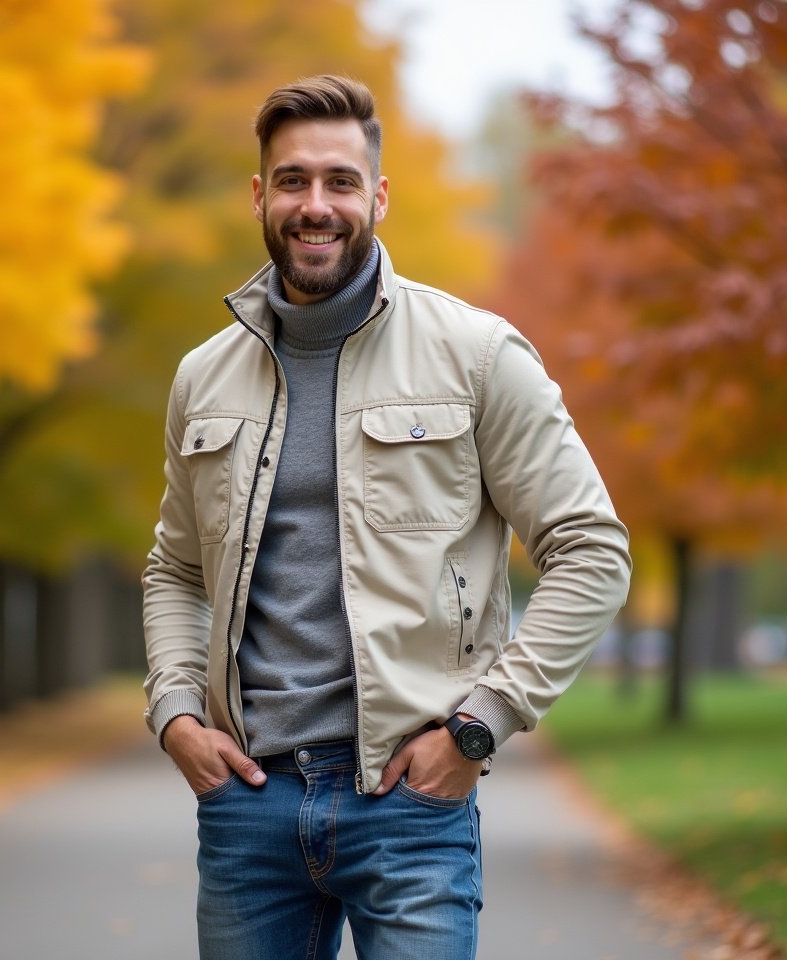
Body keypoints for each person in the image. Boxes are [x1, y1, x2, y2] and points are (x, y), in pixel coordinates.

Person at [141, 74, 631, 960]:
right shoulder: (201, 377)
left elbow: (591, 548)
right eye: (291, 181)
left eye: (338, 180)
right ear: (259, 195)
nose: (314, 205)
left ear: (379, 195)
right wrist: (176, 714)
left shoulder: (477, 355)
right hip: (248, 810)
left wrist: (480, 727)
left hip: (411, 806)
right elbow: (176, 569)